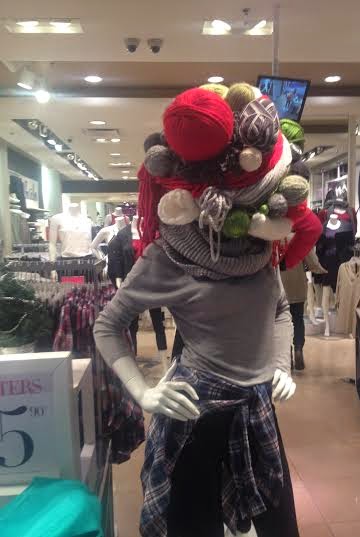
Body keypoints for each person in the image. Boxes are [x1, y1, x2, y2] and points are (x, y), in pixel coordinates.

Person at [94, 84, 321, 537]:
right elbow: (108, 324)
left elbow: (279, 309)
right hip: (193, 410)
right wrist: (143, 392)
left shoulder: (259, 247)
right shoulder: (167, 256)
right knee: (194, 527)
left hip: (257, 407)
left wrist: (280, 365)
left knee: (279, 526)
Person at [281, 250, 326, 370]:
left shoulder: (275, 240)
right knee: (298, 319)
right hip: (297, 283)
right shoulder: (299, 240)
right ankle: (298, 350)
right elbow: (312, 260)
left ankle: (287, 353)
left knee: (282, 322)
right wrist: (320, 269)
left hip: (280, 285)